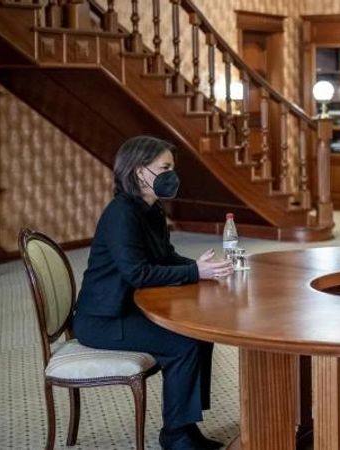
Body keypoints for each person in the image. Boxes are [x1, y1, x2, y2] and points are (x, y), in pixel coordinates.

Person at [73, 136, 233, 450]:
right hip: (103, 319)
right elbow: (138, 272)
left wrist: (202, 268)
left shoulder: (151, 209)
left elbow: (164, 256)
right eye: (164, 168)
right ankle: (174, 436)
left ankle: (186, 427)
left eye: (172, 168)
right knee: (184, 343)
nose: (172, 175)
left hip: (127, 308)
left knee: (199, 333)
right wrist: (194, 273)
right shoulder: (122, 213)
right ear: (138, 172)